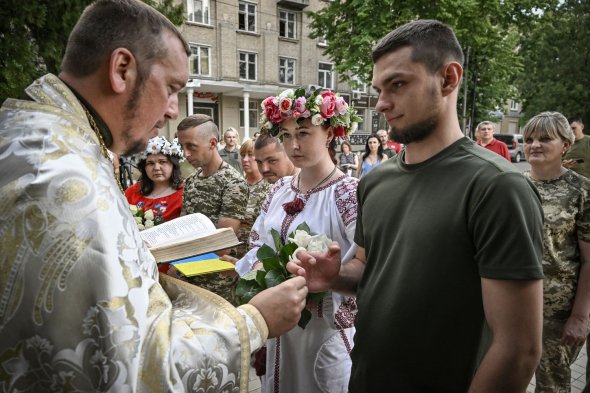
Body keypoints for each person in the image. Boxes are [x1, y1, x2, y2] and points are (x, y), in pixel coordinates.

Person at [0, 1, 309, 391]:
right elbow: (131, 367)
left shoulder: (40, 140)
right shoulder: (65, 181)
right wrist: (255, 321)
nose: (171, 109)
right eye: (171, 88)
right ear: (122, 69)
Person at [287, 19, 545, 392]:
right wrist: (333, 278)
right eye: (379, 88)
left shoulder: (497, 186)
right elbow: (367, 266)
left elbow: (518, 350)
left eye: (398, 84)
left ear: (448, 79)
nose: (381, 103)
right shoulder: (376, 181)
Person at [235, 87, 360, 393]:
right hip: (280, 330)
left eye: (303, 133)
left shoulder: (348, 194)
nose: (293, 144)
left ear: (329, 133)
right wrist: (248, 273)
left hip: (323, 333)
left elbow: (365, 264)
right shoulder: (278, 190)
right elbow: (257, 246)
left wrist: (332, 278)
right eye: (286, 135)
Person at [521, 112, 590, 393]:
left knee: (552, 387)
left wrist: (580, 317)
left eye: (545, 138)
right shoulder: (512, 185)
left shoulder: (581, 191)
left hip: (556, 314)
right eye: (529, 139)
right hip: (510, 307)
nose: (534, 144)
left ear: (565, 145)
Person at [177, 114, 248, 304]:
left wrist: (179, 257)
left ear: (212, 143)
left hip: (218, 285)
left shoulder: (233, 182)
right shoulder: (191, 181)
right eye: (182, 147)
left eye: (191, 146)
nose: (186, 154)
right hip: (188, 277)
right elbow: (183, 228)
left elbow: (222, 243)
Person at [125, 135, 184, 222]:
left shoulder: (184, 193)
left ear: (173, 165)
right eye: (150, 163)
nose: (156, 168)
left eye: (162, 162)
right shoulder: (131, 193)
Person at [237, 138, 271, 257]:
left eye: (250, 155)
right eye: (242, 155)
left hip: (255, 254)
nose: (245, 160)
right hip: (232, 253)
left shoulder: (270, 188)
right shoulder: (235, 185)